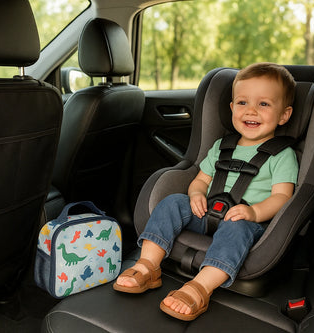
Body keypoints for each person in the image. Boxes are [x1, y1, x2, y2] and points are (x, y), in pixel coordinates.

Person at [113, 62, 299, 321]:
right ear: (232, 108)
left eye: (264, 104)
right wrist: (196, 194)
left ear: (284, 115)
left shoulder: (283, 155)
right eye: (243, 103)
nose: (251, 111)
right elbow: (201, 179)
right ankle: (148, 265)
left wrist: (254, 212)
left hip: (246, 223)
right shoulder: (223, 146)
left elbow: (282, 197)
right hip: (207, 212)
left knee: (236, 229)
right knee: (172, 202)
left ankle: (200, 287)